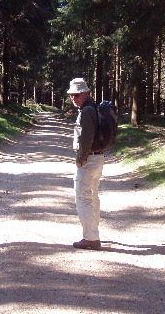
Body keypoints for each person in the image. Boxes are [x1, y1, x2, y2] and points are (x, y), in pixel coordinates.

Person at [67, 78, 104, 250]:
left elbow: (86, 138)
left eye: (77, 94)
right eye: (71, 95)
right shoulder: (92, 108)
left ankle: (90, 237)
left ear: (86, 93)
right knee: (92, 196)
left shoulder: (87, 111)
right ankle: (93, 233)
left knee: (83, 197)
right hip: (97, 158)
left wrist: (80, 159)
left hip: (89, 160)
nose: (73, 98)